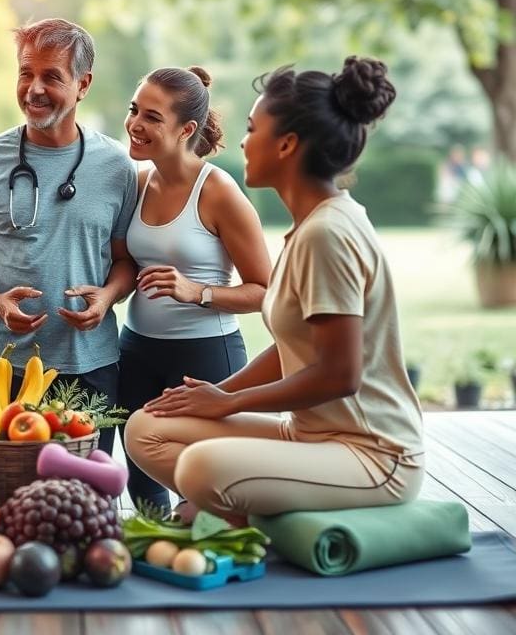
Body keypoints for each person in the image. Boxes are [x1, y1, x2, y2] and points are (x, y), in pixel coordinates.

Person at [125, 56, 424, 523]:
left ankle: (242, 518)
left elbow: (340, 374)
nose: (241, 141)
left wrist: (232, 402)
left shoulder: (329, 234)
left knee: (202, 467)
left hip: (372, 455)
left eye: (252, 128)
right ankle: (244, 511)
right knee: (146, 427)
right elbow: (293, 347)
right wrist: (215, 396)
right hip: (309, 437)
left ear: (286, 145)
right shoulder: (308, 228)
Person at [0, 18, 138, 454]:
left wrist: (107, 297)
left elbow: (125, 262)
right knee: (0, 498)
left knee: (83, 497)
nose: (33, 89)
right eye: (26, 73)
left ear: (83, 85)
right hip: (0, 365)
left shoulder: (117, 167)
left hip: (89, 365)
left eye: (52, 76)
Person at [119, 66, 271, 510]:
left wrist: (196, 291)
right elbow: (128, 260)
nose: (135, 124)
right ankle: (158, 560)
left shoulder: (219, 192)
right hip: (137, 350)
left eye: (151, 117)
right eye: (134, 111)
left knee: (202, 479)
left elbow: (266, 289)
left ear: (186, 129)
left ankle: (209, 558)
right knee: (142, 474)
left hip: (204, 355)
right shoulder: (139, 182)